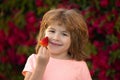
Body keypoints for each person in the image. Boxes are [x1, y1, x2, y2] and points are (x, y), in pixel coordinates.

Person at [22, 8, 92, 80]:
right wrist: (40, 66)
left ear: (74, 40)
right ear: (44, 33)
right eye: (52, 31)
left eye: (64, 34)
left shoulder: (80, 66)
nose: (56, 38)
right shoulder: (34, 60)